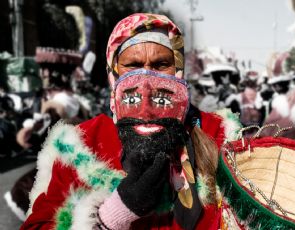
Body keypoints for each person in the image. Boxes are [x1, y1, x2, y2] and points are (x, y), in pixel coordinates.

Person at [21, 13, 240, 230]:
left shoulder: (218, 135)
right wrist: (111, 216)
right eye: (133, 65)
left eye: (161, 64)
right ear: (113, 73)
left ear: (179, 71)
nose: (146, 78)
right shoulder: (85, 144)